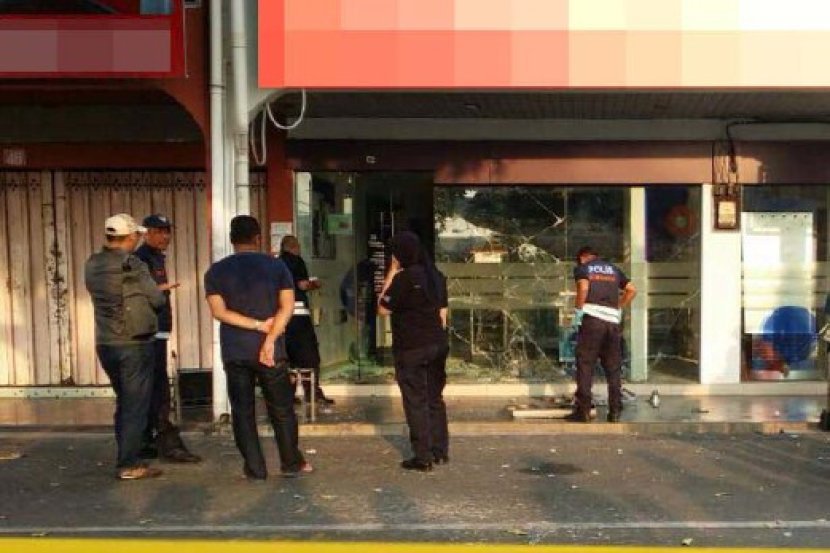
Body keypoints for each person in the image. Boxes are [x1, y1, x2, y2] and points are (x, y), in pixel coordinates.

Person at [204, 216, 310, 480]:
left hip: (235, 350)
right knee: (282, 409)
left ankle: (255, 468)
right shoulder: (277, 266)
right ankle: (291, 463)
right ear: (257, 237)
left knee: (242, 411)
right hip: (271, 351)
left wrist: (256, 325)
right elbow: (287, 306)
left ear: (232, 239)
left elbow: (219, 312)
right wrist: (270, 337)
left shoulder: (216, 271)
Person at [84, 213, 166, 480]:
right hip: (133, 342)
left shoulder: (92, 264)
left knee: (124, 401)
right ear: (130, 237)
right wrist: (159, 292)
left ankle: (126, 455)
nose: (138, 239)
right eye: (137, 236)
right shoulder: (134, 263)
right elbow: (156, 299)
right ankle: (129, 464)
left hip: (105, 342)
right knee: (135, 405)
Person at [378, 232, 450, 472]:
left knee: (415, 401)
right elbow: (443, 315)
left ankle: (422, 456)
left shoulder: (403, 279)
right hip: (437, 344)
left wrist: (391, 272)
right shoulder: (436, 276)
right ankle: (440, 450)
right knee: (434, 398)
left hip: (411, 347)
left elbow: (383, 308)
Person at [134, 214, 201, 463]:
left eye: (167, 231)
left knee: (156, 387)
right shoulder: (142, 259)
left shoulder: (155, 257)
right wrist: (157, 292)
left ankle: (148, 440)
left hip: (158, 331)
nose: (165, 236)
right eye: (159, 231)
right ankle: (164, 442)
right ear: (146, 233)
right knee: (157, 389)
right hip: (149, 333)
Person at [567, 246, 637, 423]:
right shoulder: (614, 269)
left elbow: (583, 288)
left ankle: (583, 411)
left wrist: (578, 310)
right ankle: (614, 411)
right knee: (613, 368)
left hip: (592, 321)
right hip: (612, 323)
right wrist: (619, 307)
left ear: (583, 257)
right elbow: (632, 290)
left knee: (585, 364)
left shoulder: (583, 268)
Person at [279, 235, 335, 405]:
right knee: (309, 356)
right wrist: (314, 284)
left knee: (287, 356)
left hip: (281, 317)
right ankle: (312, 393)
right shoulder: (296, 261)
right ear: (294, 247)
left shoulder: (276, 264)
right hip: (299, 316)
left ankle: (287, 395)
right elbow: (302, 284)